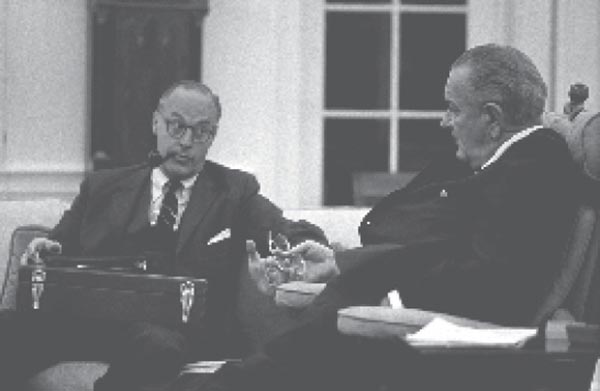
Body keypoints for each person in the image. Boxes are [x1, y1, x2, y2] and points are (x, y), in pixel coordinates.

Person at [180, 44, 580, 391]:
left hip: (428, 335)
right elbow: (426, 238)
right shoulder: (503, 163)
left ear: (492, 119)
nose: (444, 122)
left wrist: (379, 288)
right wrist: (342, 261)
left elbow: (489, 281)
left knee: (254, 376)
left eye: (453, 109)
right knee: (260, 370)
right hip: (388, 311)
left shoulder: (531, 170)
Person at [3, 80, 327, 391]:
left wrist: (311, 250)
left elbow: (285, 231)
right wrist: (44, 250)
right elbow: (58, 250)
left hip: (172, 331)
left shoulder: (234, 191)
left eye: (201, 132)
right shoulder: (102, 187)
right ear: (155, 123)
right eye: (176, 126)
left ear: (212, 137)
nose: (187, 141)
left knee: (158, 347)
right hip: (93, 320)